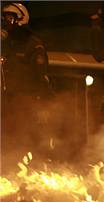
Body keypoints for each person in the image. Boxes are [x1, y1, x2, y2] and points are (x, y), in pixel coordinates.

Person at [1, 2, 53, 158]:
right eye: (5, 19)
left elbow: (40, 75)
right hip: (8, 96)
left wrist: (41, 102)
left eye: (10, 19)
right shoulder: (6, 42)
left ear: (21, 19)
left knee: (24, 134)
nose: (6, 23)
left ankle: (29, 165)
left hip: (26, 98)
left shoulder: (33, 44)